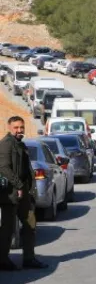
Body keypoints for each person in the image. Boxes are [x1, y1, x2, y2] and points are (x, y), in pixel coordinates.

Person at [0, 116, 46, 271]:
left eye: (21, 127)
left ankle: (29, 258)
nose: (19, 130)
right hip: (10, 194)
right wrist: (18, 185)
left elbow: (26, 169)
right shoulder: (6, 145)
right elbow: (4, 168)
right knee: (8, 229)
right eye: (16, 128)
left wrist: (29, 189)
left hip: (24, 193)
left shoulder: (21, 145)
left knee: (30, 224)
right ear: (9, 127)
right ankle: (3, 260)